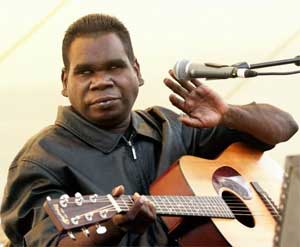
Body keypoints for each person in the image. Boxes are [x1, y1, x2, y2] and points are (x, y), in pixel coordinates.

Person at [0, 13, 298, 247]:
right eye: (86, 71)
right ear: (65, 82)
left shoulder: (174, 126)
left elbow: (284, 127)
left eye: (114, 67)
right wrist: (115, 226)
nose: (101, 81)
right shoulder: (42, 159)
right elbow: (47, 243)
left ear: (137, 72)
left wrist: (229, 115)